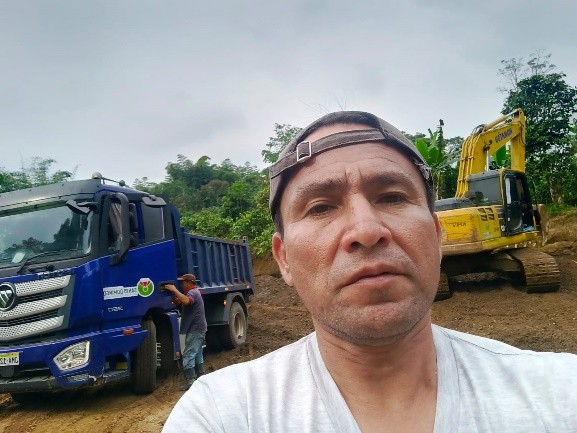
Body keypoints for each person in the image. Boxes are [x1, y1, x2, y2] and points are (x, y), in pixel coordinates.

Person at [163, 111, 577, 432]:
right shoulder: (221, 415)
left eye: (392, 197)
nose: (366, 230)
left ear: (436, 236)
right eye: (320, 207)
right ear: (284, 258)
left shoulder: (560, 394)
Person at [163, 273, 207, 390]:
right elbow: (179, 302)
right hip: (198, 328)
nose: (182, 285)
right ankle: (201, 379)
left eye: (183, 282)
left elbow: (187, 301)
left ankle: (190, 382)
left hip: (195, 329)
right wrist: (173, 294)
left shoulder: (192, 293)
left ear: (188, 282)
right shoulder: (192, 292)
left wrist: (174, 290)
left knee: (188, 354)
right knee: (197, 354)